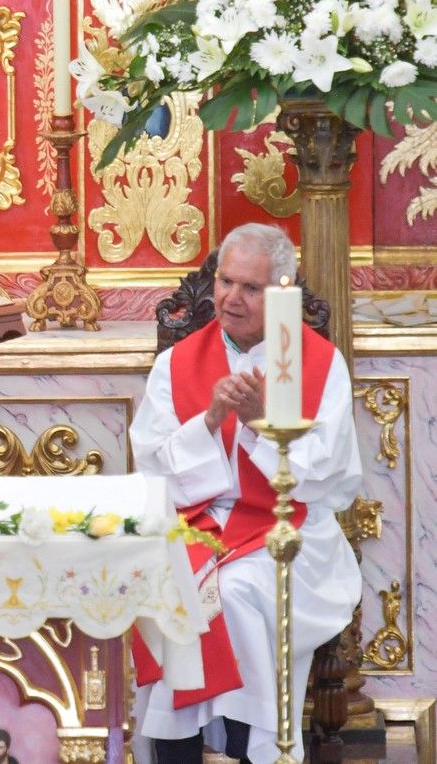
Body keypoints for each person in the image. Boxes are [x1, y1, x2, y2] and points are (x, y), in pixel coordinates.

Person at [129, 223, 362, 764]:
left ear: (283, 289)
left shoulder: (321, 364)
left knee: (231, 593)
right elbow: (154, 466)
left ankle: (248, 748)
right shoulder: (177, 363)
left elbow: (330, 476)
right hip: (201, 520)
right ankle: (176, 748)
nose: (230, 297)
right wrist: (209, 420)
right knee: (165, 584)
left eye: (250, 288)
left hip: (292, 530)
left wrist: (259, 425)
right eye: (224, 281)